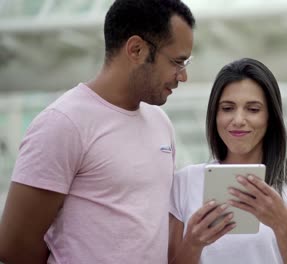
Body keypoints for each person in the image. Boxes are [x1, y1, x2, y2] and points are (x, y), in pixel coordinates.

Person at [0, 0, 195, 263]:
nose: (182, 76)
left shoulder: (160, 123)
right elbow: (14, 246)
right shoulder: (64, 123)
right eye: (177, 62)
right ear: (136, 49)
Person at [169, 58, 287, 264]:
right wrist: (193, 243)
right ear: (214, 115)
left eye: (253, 109)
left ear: (271, 116)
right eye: (227, 108)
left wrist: (282, 225)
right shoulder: (184, 182)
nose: (238, 119)